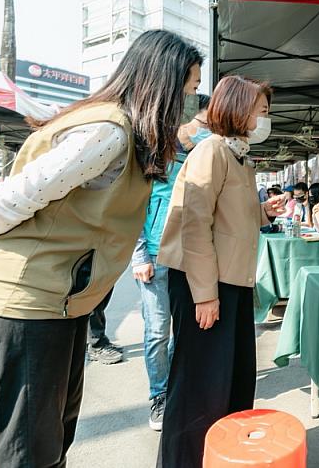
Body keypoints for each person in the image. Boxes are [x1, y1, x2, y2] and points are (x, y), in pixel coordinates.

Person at [0, 29, 204, 468]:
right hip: (22, 300)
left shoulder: (131, 135)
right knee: (30, 450)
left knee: (54, 436)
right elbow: (20, 193)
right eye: (188, 89)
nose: (191, 102)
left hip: (57, 302)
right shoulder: (108, 131)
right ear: (162, 85)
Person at [156, 75, 284, 467]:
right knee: (200, 383)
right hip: (207, 284)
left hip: (233, 281)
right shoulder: (210, 151)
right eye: (261, 112)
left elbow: (228, 219)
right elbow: (194, 224)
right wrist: (205, 294)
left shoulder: (238, 156)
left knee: (232, 377)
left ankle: (225, 455)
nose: (265, 119)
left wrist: (263, 213)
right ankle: (186, 460)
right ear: (239, 110)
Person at [130, 93, 212, 431]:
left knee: (186, 329)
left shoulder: (205, 155)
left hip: (189, 258)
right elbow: (132, 208)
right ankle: (160, 396)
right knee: (157, 331)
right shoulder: (154, 154)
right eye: (202, 122)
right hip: (155, 257)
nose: (206, 130)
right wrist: (139, 255)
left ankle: (177, 388)